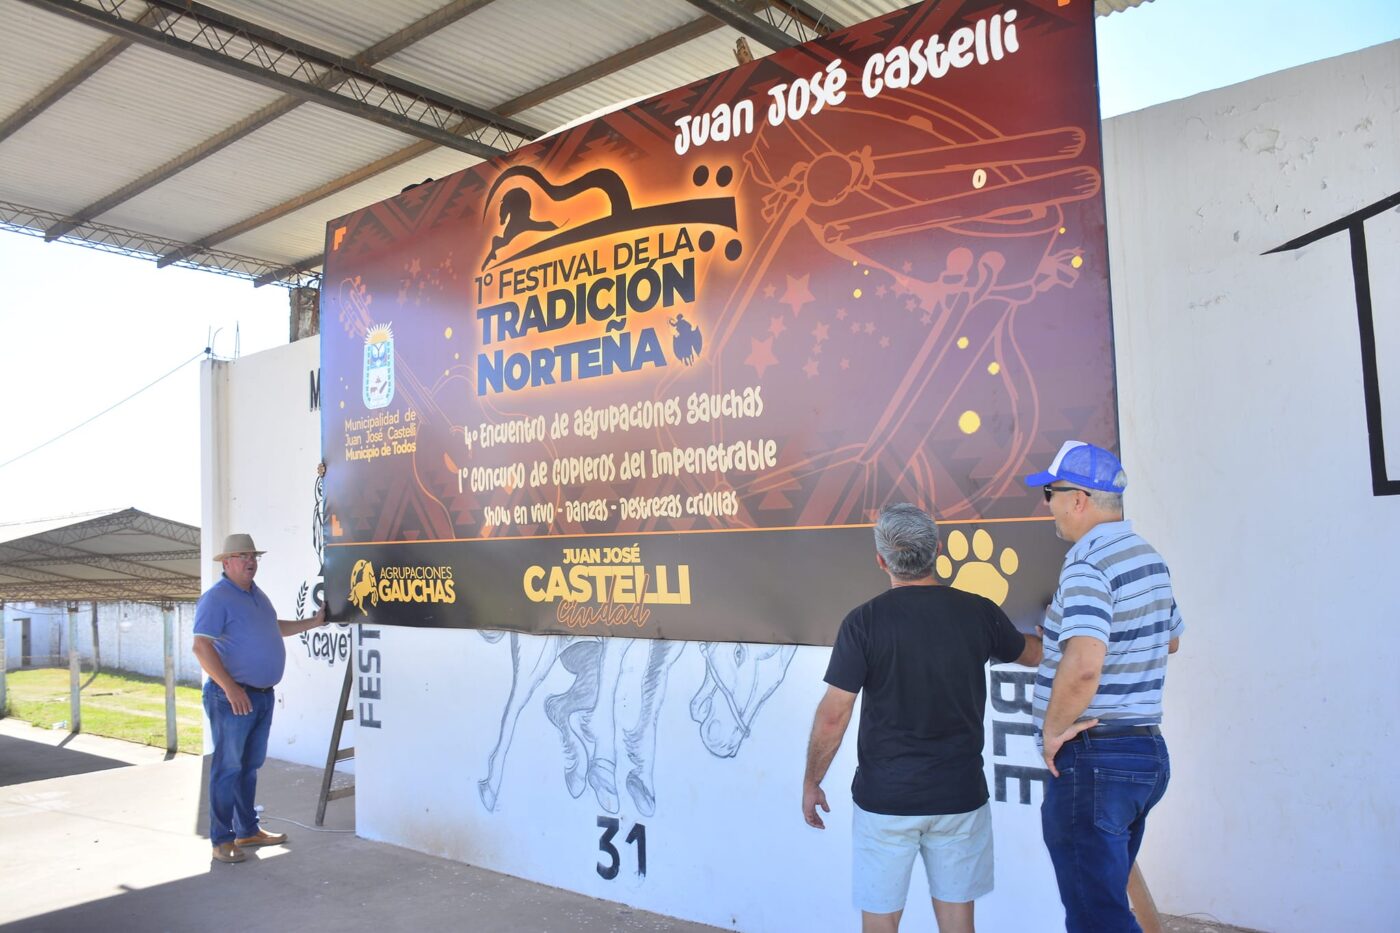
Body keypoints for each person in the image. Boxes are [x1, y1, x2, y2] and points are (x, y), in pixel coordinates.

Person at [802, 504, 1042, 933]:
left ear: (881, 560)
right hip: (959, 795)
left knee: (880, 922)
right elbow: (1032, 654)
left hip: (885, 799)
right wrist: (1060, 633)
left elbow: (833, 716)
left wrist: (812, 781)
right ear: (939, 550)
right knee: (958, 923)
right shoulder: (979, 612)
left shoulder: (863, 623)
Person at [1025, 441, 1183, 932]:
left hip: (1096, 759)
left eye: (1050, 493)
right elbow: (1170, 640)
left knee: (1097, 920)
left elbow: (1084, 666)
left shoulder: (1088, 563)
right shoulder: (1148, 557)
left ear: (1078, 499)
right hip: (1144, 753)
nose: (1047, 505)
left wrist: (1053, 732)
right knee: (1106, 908)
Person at [194, 533, 326, 864]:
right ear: (226, 562)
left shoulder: (256, 595)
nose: (250, 561)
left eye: (253, 556)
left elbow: (273, 627)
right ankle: (222, 840)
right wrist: (230, 687)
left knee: (248, 766)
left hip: (261, 696)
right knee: (228, 768)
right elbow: (201, 646)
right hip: (233, 697)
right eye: (242, 556)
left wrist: (313, 622)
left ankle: (247, 830)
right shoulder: (217, 598)